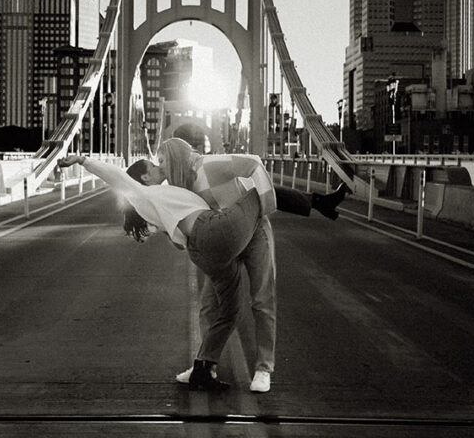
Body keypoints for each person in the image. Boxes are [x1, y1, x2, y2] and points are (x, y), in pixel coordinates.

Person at [131, 138, 349, 393]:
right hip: (226, 240)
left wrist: (265, 208)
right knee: (209, 306)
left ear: (176, 157)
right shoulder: (180, 186)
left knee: (262, 300)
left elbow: (253, 164)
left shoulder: (207, 166)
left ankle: (264, 369)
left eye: (163, 161)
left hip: (255, 232)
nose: (161, 167)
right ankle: (205, 365)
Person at [56, 152, 269, 392]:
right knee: (255, 194)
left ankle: (203, 368)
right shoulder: (143, 194)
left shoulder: (156, 200)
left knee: (230, 311)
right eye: (155, 167)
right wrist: (83, 161)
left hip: (201, 251)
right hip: (210, 232)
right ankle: (313, 202)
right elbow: (116, 177)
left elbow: (178, 241)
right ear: (145, 177)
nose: (160, 168)